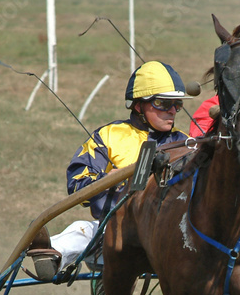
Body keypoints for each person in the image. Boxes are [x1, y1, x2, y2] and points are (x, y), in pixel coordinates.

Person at [27, 60, 191, 281]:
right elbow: (76, 183)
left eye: (177, 104)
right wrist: (109, 179)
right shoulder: (109, 136)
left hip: (168, 235)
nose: (172, 111)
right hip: (117, 233)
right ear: (138, 105)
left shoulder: (186, 144)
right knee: (82, 229)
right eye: (163, 103)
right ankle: (51, 254)